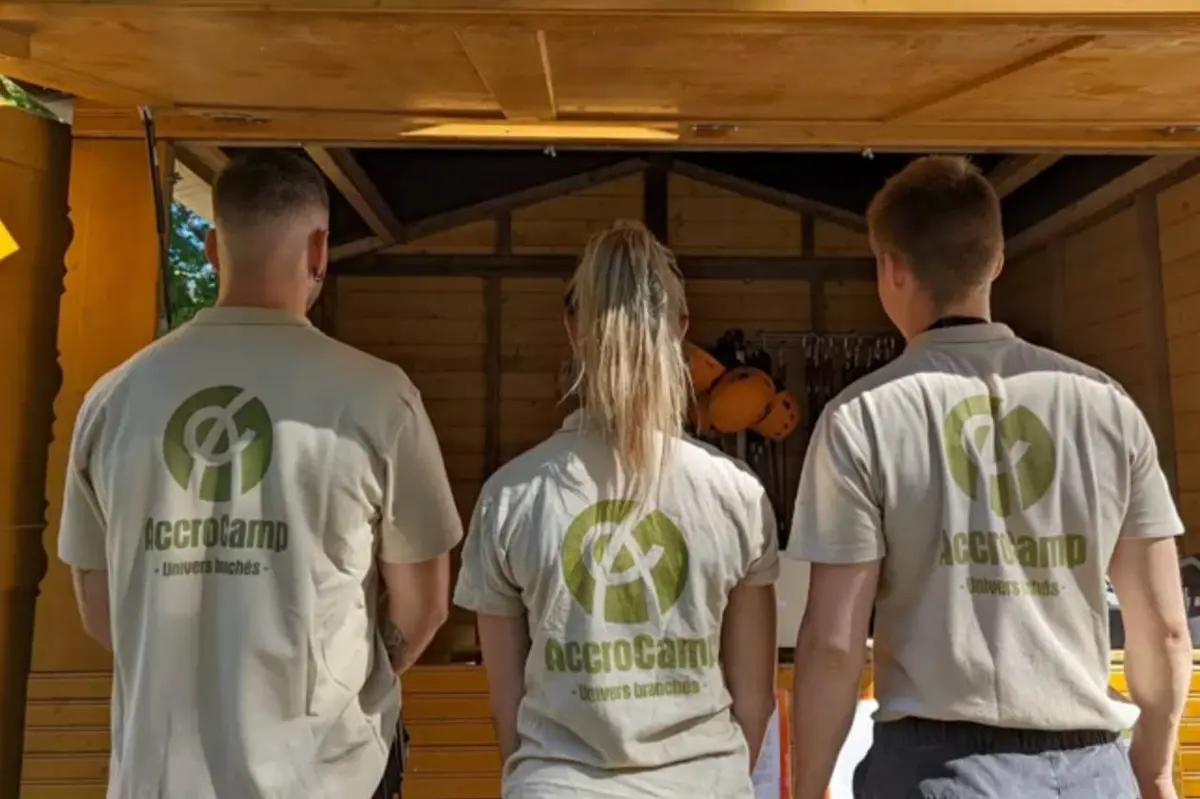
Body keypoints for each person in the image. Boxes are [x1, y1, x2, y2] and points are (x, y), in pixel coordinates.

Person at [58, 151, 463, 798]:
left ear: (215, 247)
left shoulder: (113, 399)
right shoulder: (378, 397)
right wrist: (345, 682)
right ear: (321, 250)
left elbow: (101, 608)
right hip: (328, 779)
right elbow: (423, 605)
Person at [786, 155, 1192, 799]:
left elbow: (834, 645)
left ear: (891, 267)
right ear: (996, 261)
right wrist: (1155, 769)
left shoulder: (861, 417)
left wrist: (807, 789)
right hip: (1092, 770)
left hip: (936, 772)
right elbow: (1166, 630)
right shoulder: (1106, 405)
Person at [453, 220, 780, 799]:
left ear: (573, 329)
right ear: (680, 330)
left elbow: (507, 706)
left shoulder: (511, 496)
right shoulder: (737, 494)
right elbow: (754, 700)